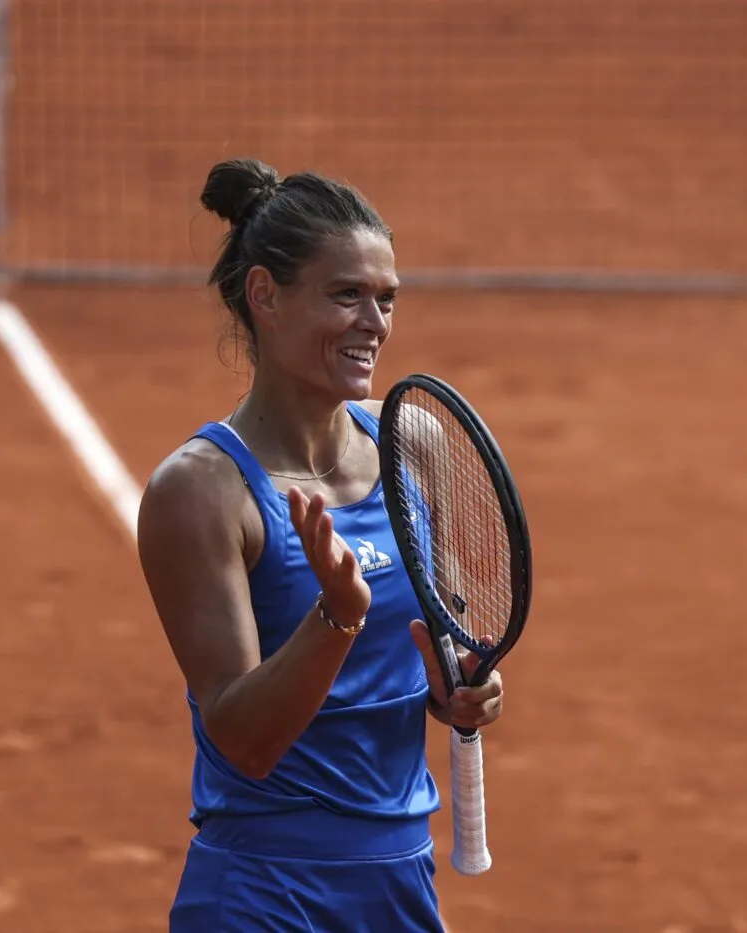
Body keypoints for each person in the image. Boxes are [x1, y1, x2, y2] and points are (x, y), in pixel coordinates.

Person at [136, 157, 506, 932]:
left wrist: (462, 688)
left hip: (401, 884)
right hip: (266, 893)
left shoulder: (413, 443)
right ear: (265, 295)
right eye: (347, 295)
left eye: (387, 299)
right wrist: (334, 618)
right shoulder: (201, 491)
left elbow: (441, 644)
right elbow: (244, 740)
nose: (374, 323)